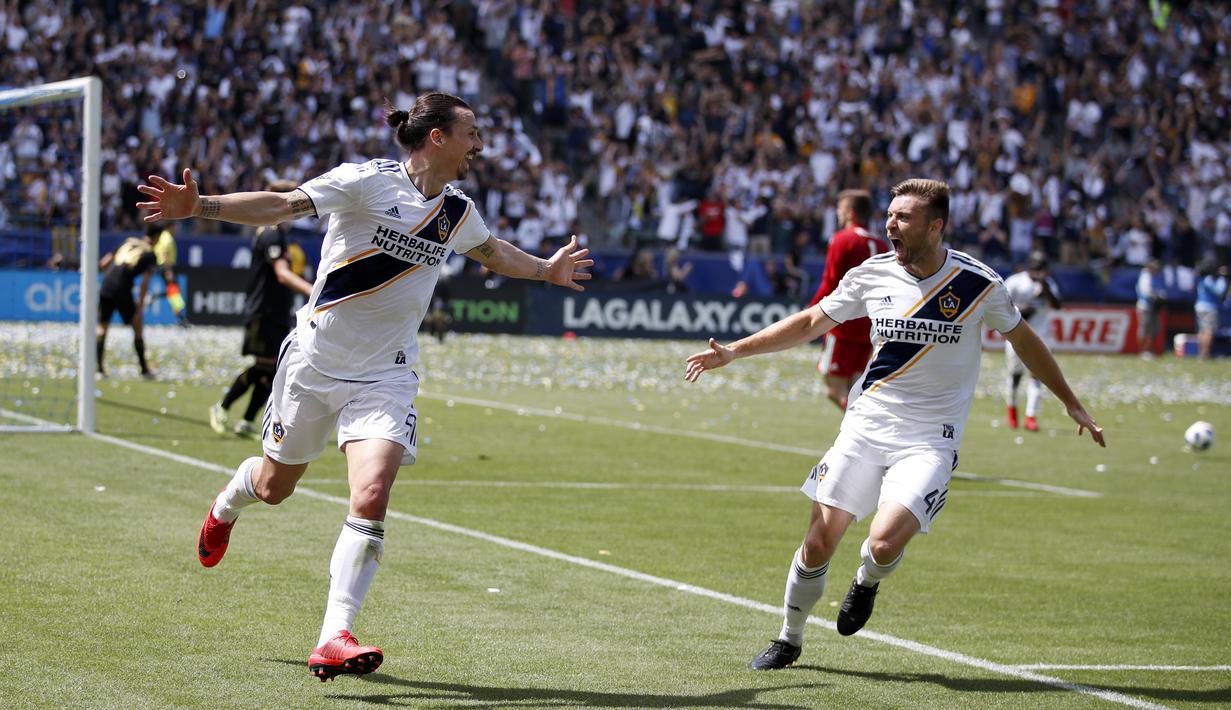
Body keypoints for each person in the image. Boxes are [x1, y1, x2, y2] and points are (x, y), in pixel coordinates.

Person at [136, 92, 592, 682]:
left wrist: (545, 270)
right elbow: (280, 205)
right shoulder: (362, 181)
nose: (479, 144)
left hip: (386, 375)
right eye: (471, 133)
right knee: (275, 487)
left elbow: (492, 251)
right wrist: (203, 206)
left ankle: (334, 634)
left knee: (372, 492)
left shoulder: (456, 211)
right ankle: (226, 505)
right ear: (437, 137)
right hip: (314, 362)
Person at [684, 178, 1104, 671]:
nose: (890, 224)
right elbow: (811, 321)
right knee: (818, 540)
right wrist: (735, 351)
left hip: (931, 438)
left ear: (936, 226)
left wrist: (1070, 402)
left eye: (903, 217)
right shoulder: (873, 273)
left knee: (882, 544)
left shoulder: (978, 283)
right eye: (889, 214)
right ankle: (788, 637)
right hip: (867, 423)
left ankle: (866, 581)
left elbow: (1025, 340)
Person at [210, 180, 315, 439]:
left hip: (276, 311)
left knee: (272, 369)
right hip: (264, 310)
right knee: (265, 366)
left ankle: (246, 421)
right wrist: (314, 290)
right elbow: (281, 274)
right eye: (296, 200)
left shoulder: (277, 233)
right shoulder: (271, 233)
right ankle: (222, 407)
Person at [806, 189, 887, 410]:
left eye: (840, 210)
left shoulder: (842, 239)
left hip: (842, 324)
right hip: (870, 325)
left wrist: (811, 311)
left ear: (850, 213)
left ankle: (862, 428)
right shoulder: (880, 244)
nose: (838, 215)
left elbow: (830, 281)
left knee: (833, 387)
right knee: (854, 385)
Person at [1003, 252, 1062, 430]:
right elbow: (1002, 305)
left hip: (1041, 337)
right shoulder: (1015, 282)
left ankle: (1031, 416)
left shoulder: (1047, 284)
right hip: (1016, 337)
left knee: (1037, 377)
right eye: (1037, 270)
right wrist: (1023, 308)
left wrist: (1046, 289)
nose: (1040, 274)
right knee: (1015, 375)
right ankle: (1012, 409)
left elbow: (1058, 305)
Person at [96, 224, 159, 379]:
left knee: (102, 328)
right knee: (137, 326)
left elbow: (104, 263)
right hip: (122, 287)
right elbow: (145, 282)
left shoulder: (128, 241)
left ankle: (98, 370)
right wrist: (140, 306)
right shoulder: (151, 254)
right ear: (157, 238)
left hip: (106, 284)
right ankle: (144, 370)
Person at [152, 222, 189, 326]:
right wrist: (168, 271)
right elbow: (165, 255)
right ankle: (180, 318)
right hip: (166, 268)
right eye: (175, 226)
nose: (176, 229)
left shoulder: (161, 236)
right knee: (174, 292)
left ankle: (155, 296)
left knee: (173, 292)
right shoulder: (168, 238)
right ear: (171, 226)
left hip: (161, 267)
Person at [1194, 259, 1229, 360]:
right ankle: (1205, 353)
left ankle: (1201, 352)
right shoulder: (1208, 278)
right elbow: (1219, 291)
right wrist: (1223, 278)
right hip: (1209, 307)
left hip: (1199, 306)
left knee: (1202, 330)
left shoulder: (1201, 278)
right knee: (1209, 330)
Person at [1135, 258, 1164, 359]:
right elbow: (1146, 292)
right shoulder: (1145, 276)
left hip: (1153, 307)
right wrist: (1156, 296)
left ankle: (1150, 350)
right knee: (1145, 329)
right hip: (1145, 306)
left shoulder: (1156, 276)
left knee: (1154, 329)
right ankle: (1143, 351)